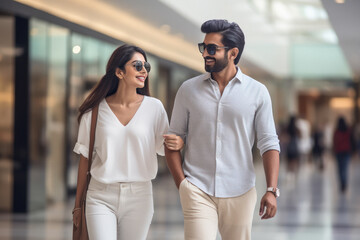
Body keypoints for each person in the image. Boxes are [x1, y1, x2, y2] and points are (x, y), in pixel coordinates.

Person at [165, 19, 280, 240]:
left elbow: (269, 142)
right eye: (203, 47)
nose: (204, 53)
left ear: (232, 53)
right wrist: (183, 185)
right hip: (197, 188)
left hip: (241, 192)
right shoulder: (188, 90)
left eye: (211, 49)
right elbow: (173, 138)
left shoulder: (258, 92)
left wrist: (272, 190)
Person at [72, 44, 183, 240]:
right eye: (137, 65)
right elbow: (84, 161)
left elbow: (165, 148)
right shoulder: (95, 111)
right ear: (119, 72)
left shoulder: (154, 108)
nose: (144, 71)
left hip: (139, 197)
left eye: (146, 67)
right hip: (99, 196)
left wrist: (178, 144)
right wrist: (77, 205)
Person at [333, 116, 351, 193]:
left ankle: (342, 183)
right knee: (345, 168)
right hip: (346, 151)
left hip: (339, 151)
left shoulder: (337, 131)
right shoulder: (348, 131)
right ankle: (344, 183)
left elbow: (334, 142)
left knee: (340, 169)